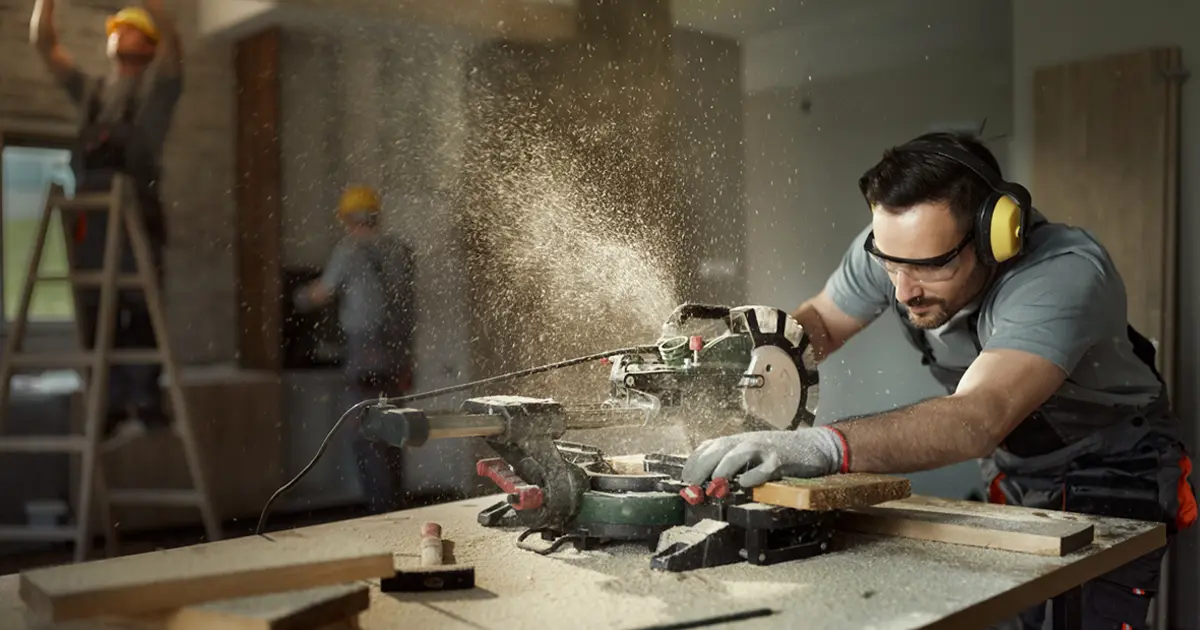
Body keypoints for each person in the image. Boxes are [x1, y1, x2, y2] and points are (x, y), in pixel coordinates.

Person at [682, 132, 1197, 629]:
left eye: (929, 267)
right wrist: (752, 361)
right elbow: (819, 323)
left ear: (994, 236)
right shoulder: (893, 251)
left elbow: (979, 417)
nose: (904, 292)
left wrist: (819, 446)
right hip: (1016, 464)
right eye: (889, 265)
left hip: (1114, 466)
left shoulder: (1062, 276)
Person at [30, 0, 183, 443]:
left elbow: (175, 49)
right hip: (92, 224)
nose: (121, 39)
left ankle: (145, 400)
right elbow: (44, 45)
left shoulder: (158, 95)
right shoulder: (93, 94)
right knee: (98, 315)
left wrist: (156, 8)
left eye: (132, 33)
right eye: (118, 33)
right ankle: (111, 405)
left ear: (147, 47)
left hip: (136, 220)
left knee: (138, 312)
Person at [294, 185, 418, 514]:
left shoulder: (349, 250)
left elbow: (322, 293)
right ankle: (396, 506)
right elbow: (407, 306)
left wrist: (298, 296)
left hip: (364, 350)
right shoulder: (399, 251)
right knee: (395, 428)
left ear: (349, 219)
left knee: (365, 429)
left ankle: (379, 510)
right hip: (397, 351)